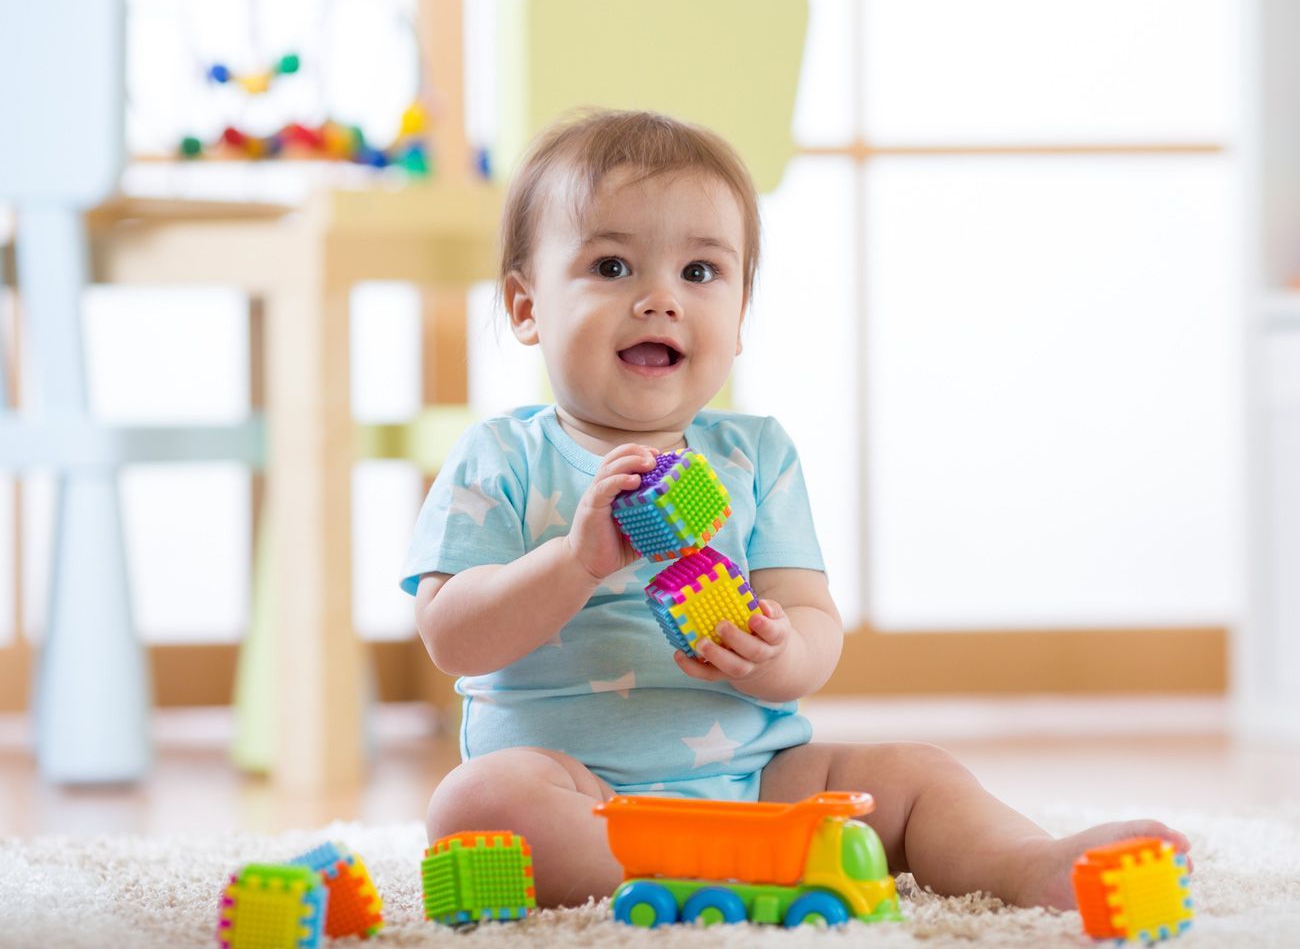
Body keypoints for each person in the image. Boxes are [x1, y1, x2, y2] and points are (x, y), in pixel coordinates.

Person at [401, 109, 1188, 910]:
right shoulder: (499, 457)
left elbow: (812, 618)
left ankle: (1028, 864)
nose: (659, 300)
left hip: (757, 778)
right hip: (576, 787)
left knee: (915, 775)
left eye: (700, 274)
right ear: (527, 307)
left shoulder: (754, 456)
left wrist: (776, 652)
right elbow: (452, 636)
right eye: (611, 266)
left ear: (739, 316)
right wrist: (575, 563)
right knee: (474, 805)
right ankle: (708, 879)